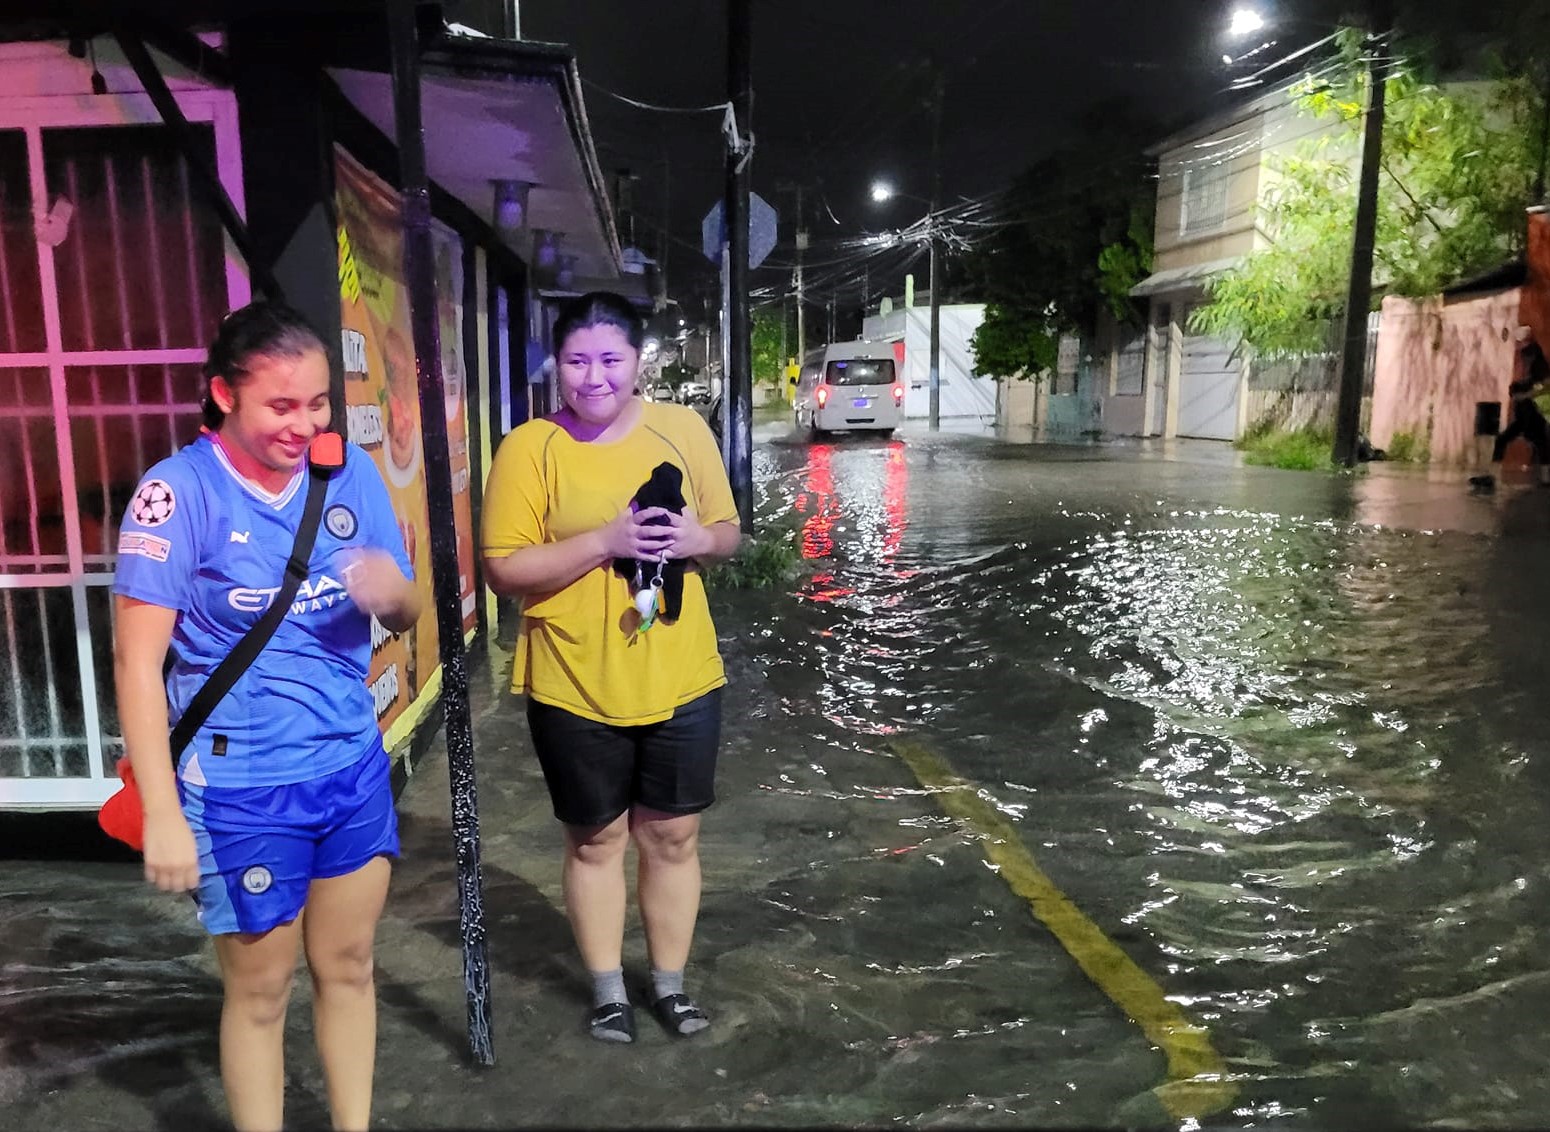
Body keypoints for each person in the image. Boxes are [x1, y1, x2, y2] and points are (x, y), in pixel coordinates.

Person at [113, 301, 420, 1131]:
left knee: (350, 965)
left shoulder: (348, 473)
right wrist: (166, 814)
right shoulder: (177, 496)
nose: (305, 423)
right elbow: (138, 667)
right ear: (222, 394)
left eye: (317, 402)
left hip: (351, 768)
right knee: (260, 990)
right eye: (281, 405)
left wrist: (395, 596)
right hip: (240, 786)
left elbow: (407, 606)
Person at [481, 291, 741, 1044]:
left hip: (681, 671)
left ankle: (669, 986)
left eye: (610, 359)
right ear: (555, 364)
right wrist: (607, 538)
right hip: (572, 676)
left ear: (638, 362)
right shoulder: (529, 447)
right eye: (576, 360)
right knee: (595, 840)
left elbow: (726, 535)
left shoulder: (684, 429)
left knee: (673, 836)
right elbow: (504, 569)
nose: (593, 377)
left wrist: (698, 539)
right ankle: (606, 991)